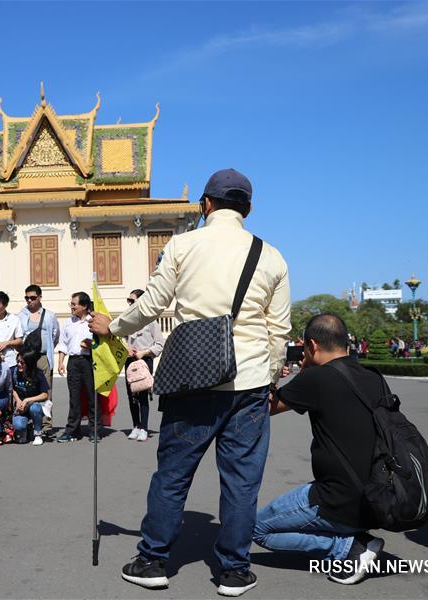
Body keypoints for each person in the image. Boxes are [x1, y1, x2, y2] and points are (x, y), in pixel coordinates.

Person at [89, 168, 290, 595]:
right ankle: (234, 569)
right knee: (241, 481)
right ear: (249, 209)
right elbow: (279, 331)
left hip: (191, 380)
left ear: (205, 204)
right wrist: (268, 378)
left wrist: (114, 327)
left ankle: (153, 560)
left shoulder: (182, 245)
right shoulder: (271, 256)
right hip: (249, 382)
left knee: (173, 474)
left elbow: (154, 303)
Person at [253, 313, 384, 585]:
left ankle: (348, 548)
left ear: (311, 346)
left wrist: (277, 377)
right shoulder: (374, 377)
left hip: (336, 498)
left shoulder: (316, 379)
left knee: (256, 529)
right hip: (378, 497)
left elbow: (267, 408)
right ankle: (354, 538)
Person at [18, 285, 60, 433]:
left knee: (45, 390)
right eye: (27, 298)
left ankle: (46, 424)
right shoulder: (21, 315)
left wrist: (46, 349)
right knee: (25, 388)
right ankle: (28, 420)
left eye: (33, 298)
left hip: (42, 357)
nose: (29, 301)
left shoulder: (49, 315)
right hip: (26, 357)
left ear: (40, 297)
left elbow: (55, 335)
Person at [124, 289, 164, 442]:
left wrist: (144, 352)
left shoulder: (150, 321)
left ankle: (145, 428)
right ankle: (136, 425)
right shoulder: (127, 320)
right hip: (129, 361)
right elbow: (120, 339)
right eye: (128, 300)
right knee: (131, 396)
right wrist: (126, 348)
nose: (129, 303)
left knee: (142, 395)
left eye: (132, 300)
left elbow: (160, 344)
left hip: (144, 361)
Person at [55, 292, 96, 443]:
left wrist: (90, 345)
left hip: (89, 361)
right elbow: (63, 344)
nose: (71, 306)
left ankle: (94, 430)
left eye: (74, 304)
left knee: (92, 397)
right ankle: (72, 430)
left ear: (84, 306)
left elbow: (103, 344)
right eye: (71, 304)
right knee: (74, 397)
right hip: (73, 362)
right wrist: (60, 362)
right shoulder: (68, 322)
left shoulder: (94, 321)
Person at [10, 350, 49, 446]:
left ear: (29, 363)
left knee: (35, 408)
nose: (19, 364)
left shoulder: (38, 373)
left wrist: (27, 400)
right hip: (20, 406)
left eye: (22, 363)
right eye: (17, 361)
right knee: (19, 428)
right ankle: (27, 428)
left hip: (34, 404)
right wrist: (18, 401)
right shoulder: (13, 371)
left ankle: (38, 433)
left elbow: (45, 394)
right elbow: (11, 389)